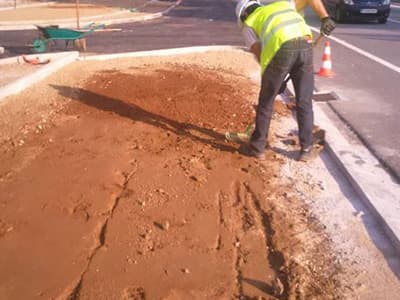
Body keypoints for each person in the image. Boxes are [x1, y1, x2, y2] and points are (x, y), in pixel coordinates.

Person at [235, 0, 335, 162]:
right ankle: (306, 149)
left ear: (244, 15)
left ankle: (257, 147)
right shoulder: (282, 5)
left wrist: (274, 80)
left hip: (283, 50)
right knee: (304, 100)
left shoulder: (249, 24)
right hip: (305, 44)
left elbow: (261, 55)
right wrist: (325, 18)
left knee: (266, 101)